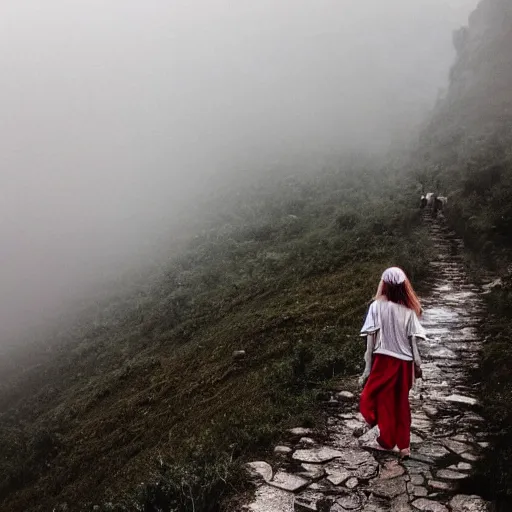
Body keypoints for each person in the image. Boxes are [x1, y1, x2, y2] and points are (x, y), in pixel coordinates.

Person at [358, 266, 426, 458]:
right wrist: (418, 366)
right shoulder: (409, 310)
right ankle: (404, 446)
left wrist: (367, 369)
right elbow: (413, 343)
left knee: (372, 400)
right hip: (405, 364)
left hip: (384, 361)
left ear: (384, 285)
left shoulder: (376, 307)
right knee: (401, 403)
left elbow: (370, 343)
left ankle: (386, 438)